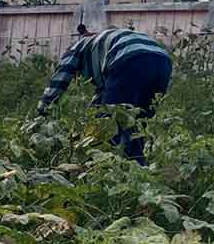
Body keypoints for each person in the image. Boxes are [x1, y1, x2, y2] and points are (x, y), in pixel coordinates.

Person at [37, 24, 172, 165]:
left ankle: (104, 168)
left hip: (130, 59)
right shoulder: (103, 46)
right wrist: (90, 116)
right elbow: (104, 95)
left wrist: (42, 110)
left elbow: (59, 78)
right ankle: (138, 169)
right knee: (137, 123)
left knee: (108, 125)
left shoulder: (78, 47)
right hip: (163, 61)